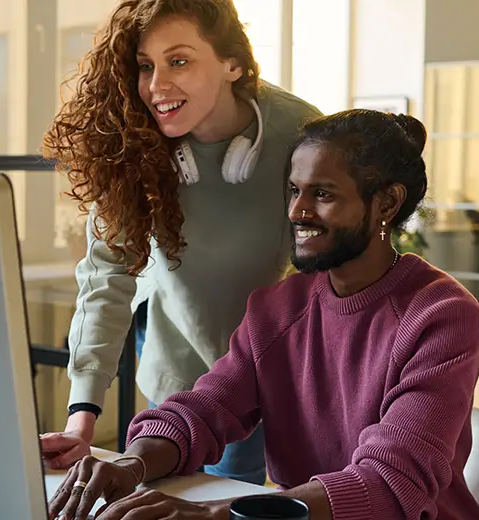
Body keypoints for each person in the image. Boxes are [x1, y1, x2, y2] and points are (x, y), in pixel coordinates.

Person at [47, 109, 479, 520]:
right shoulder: (278, 309)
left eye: (323, 194)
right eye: (295, 190)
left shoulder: (442, 316)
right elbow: (201, 411)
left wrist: (213, 514)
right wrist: (132, 463)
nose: (297, 210)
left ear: (387, 204)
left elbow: (390, 485)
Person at [39, 0, 322, 486]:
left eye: (180, 60)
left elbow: (332, 261)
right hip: (174, 356)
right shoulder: (132, 143)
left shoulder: (299, 133)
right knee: (160, 494)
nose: (156, 86)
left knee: (231, 496)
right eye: (146, 66)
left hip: (262, 366)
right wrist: (81, 416)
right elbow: (107, 277)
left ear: (233, 63)